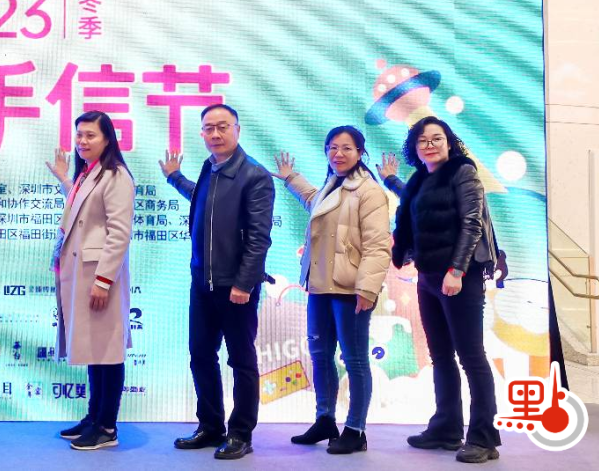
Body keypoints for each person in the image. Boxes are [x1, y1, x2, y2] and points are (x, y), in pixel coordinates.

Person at [379, 116, 501, 464]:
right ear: (415, 148)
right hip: (428, 276)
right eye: (423, 140)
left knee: (471, 356)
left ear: (449, 143)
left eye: (436, 138)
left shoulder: (463, 173)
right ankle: (447, 428)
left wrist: (457, 270)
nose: (430, 144)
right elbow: (415, 201)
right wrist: (390, 179)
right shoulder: (421, 179)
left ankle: (483, 438)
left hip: (459, 276)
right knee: (441, 355)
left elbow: (472, 223)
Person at [160, 103, 274, 459]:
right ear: (202, 134)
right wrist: (174, 177)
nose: (215, 134)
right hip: (202, 282)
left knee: (241, 360)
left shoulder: (254, 175)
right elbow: (203, 202)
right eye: (209, 128)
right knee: (200, 355)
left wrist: (244, 283)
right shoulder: (210, 168)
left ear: (237, 129)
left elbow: (259, 238)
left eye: (223, 126)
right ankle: (210, 426)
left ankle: (241, 434)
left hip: (236, 286)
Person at [273, 125, 391, 454]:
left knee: (354, 360)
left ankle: (355, 430)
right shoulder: (332, 184)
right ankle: (325, 419)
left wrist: (367, 288)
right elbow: (315, 203)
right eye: (332, 148)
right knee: (321, 355)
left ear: (360, 153)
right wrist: (291, 177)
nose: (338, 154)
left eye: (346, 148)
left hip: (351, 289)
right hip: (320, 285)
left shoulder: (369, 191)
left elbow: (378, 245)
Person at [45, 111, 135, 451]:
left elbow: (119, 233)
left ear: (107, 139)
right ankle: (94, 417)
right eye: (79, 135)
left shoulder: (116, 175)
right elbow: (82, 207)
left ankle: (107, 426)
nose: (82, 141)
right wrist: (63, 179)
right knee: (96, 350)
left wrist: (104, 280)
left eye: (90, 135)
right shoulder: (88, 172)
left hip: (99, 277)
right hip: (82, 276)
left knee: (108, 351)